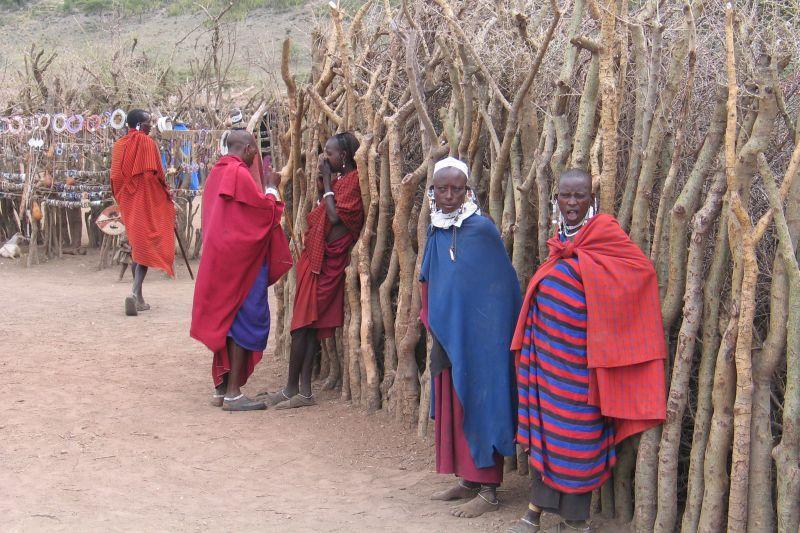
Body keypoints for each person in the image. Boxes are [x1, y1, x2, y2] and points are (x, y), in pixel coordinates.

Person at [508, 169, 666, 532]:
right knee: (547, 433)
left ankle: (575, 519)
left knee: (578, 438)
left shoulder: (605, 234)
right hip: (548, 362)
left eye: (579, 196)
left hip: (585, 365)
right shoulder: (560, 241)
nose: (572, 203)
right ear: (556, 199)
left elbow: (640, 273)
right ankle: (534, 511)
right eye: (565, 195)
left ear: (591, 200)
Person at [420, 157, 521, 519]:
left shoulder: (482, 230)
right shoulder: (436, 229)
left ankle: (489, 490)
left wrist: (488, 333)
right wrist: (435, 322)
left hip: (483, 341)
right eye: (442, 189)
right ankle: (468, 480)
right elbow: (430, 280)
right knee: (456, 404)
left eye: (456, 189)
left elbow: (502, 289)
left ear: (468, 191)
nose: (449, 196)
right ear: (432, 192)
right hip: (448, 335)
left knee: (482, 403)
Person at [261, 132, 364, 410]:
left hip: (329, 264)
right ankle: (301, 391)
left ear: (344, 156)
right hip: (317, 259)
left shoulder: (353, 181)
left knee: (302, 326)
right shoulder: (340, 180)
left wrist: (327, 182)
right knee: (306, 326)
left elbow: (334, 217)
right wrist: (325, 184)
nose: (324, 158)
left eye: (329, 153)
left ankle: (293, 389)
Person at [190, 131, 292, 411]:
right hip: (241, 262)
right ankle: (234, 394)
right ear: (247, 149)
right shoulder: (239, 174)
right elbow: (263, 215)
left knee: (228, 318)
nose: (255, 157)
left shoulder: (216, 173)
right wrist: (271, 188)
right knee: (245, 319)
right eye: (255, 152)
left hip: (220, 260)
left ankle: (222, 389)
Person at [110, 109, 176, 316]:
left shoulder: (119, 145)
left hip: (128, 202)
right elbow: (156, 176)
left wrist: (124, 196)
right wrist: (165, 194)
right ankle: (134, 293)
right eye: (148, 122)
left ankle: (138, 298)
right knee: (144, 247)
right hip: (145, 201)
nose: (151, 126)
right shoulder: (147, 143)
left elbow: (115, 178)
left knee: (137, 247)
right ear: (139, 125)